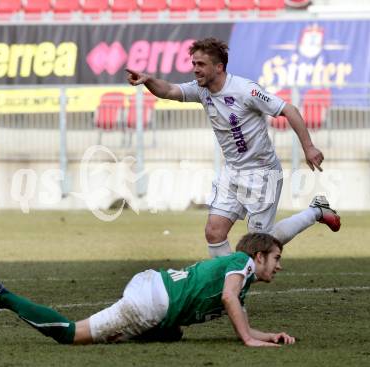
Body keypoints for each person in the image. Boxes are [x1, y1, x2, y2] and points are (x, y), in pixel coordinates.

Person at [126, 38, 330, 258]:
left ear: (219, 67)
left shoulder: (246, 90)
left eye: (201, 64)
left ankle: (316, 211)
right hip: (232, 171)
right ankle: (227, 281)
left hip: (262, 172)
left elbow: (289, 110)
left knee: (260, 244)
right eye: (194, 64)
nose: (195, 69)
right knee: (214, 232)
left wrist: (308, 148)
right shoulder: (201, 90)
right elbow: (169, 91)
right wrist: (148, 80)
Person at [0, 232, 296, 348]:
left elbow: (238, 313)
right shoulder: (241, 261)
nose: (279, 266)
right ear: (258, 256)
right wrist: (250, 341)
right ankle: (5, 297)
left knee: (172, 334)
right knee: (71, 335)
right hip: (150, 303)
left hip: (154, 289)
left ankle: (149, 332)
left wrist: (270, 335)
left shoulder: (241, 280)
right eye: (276, 258)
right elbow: (228, 301)